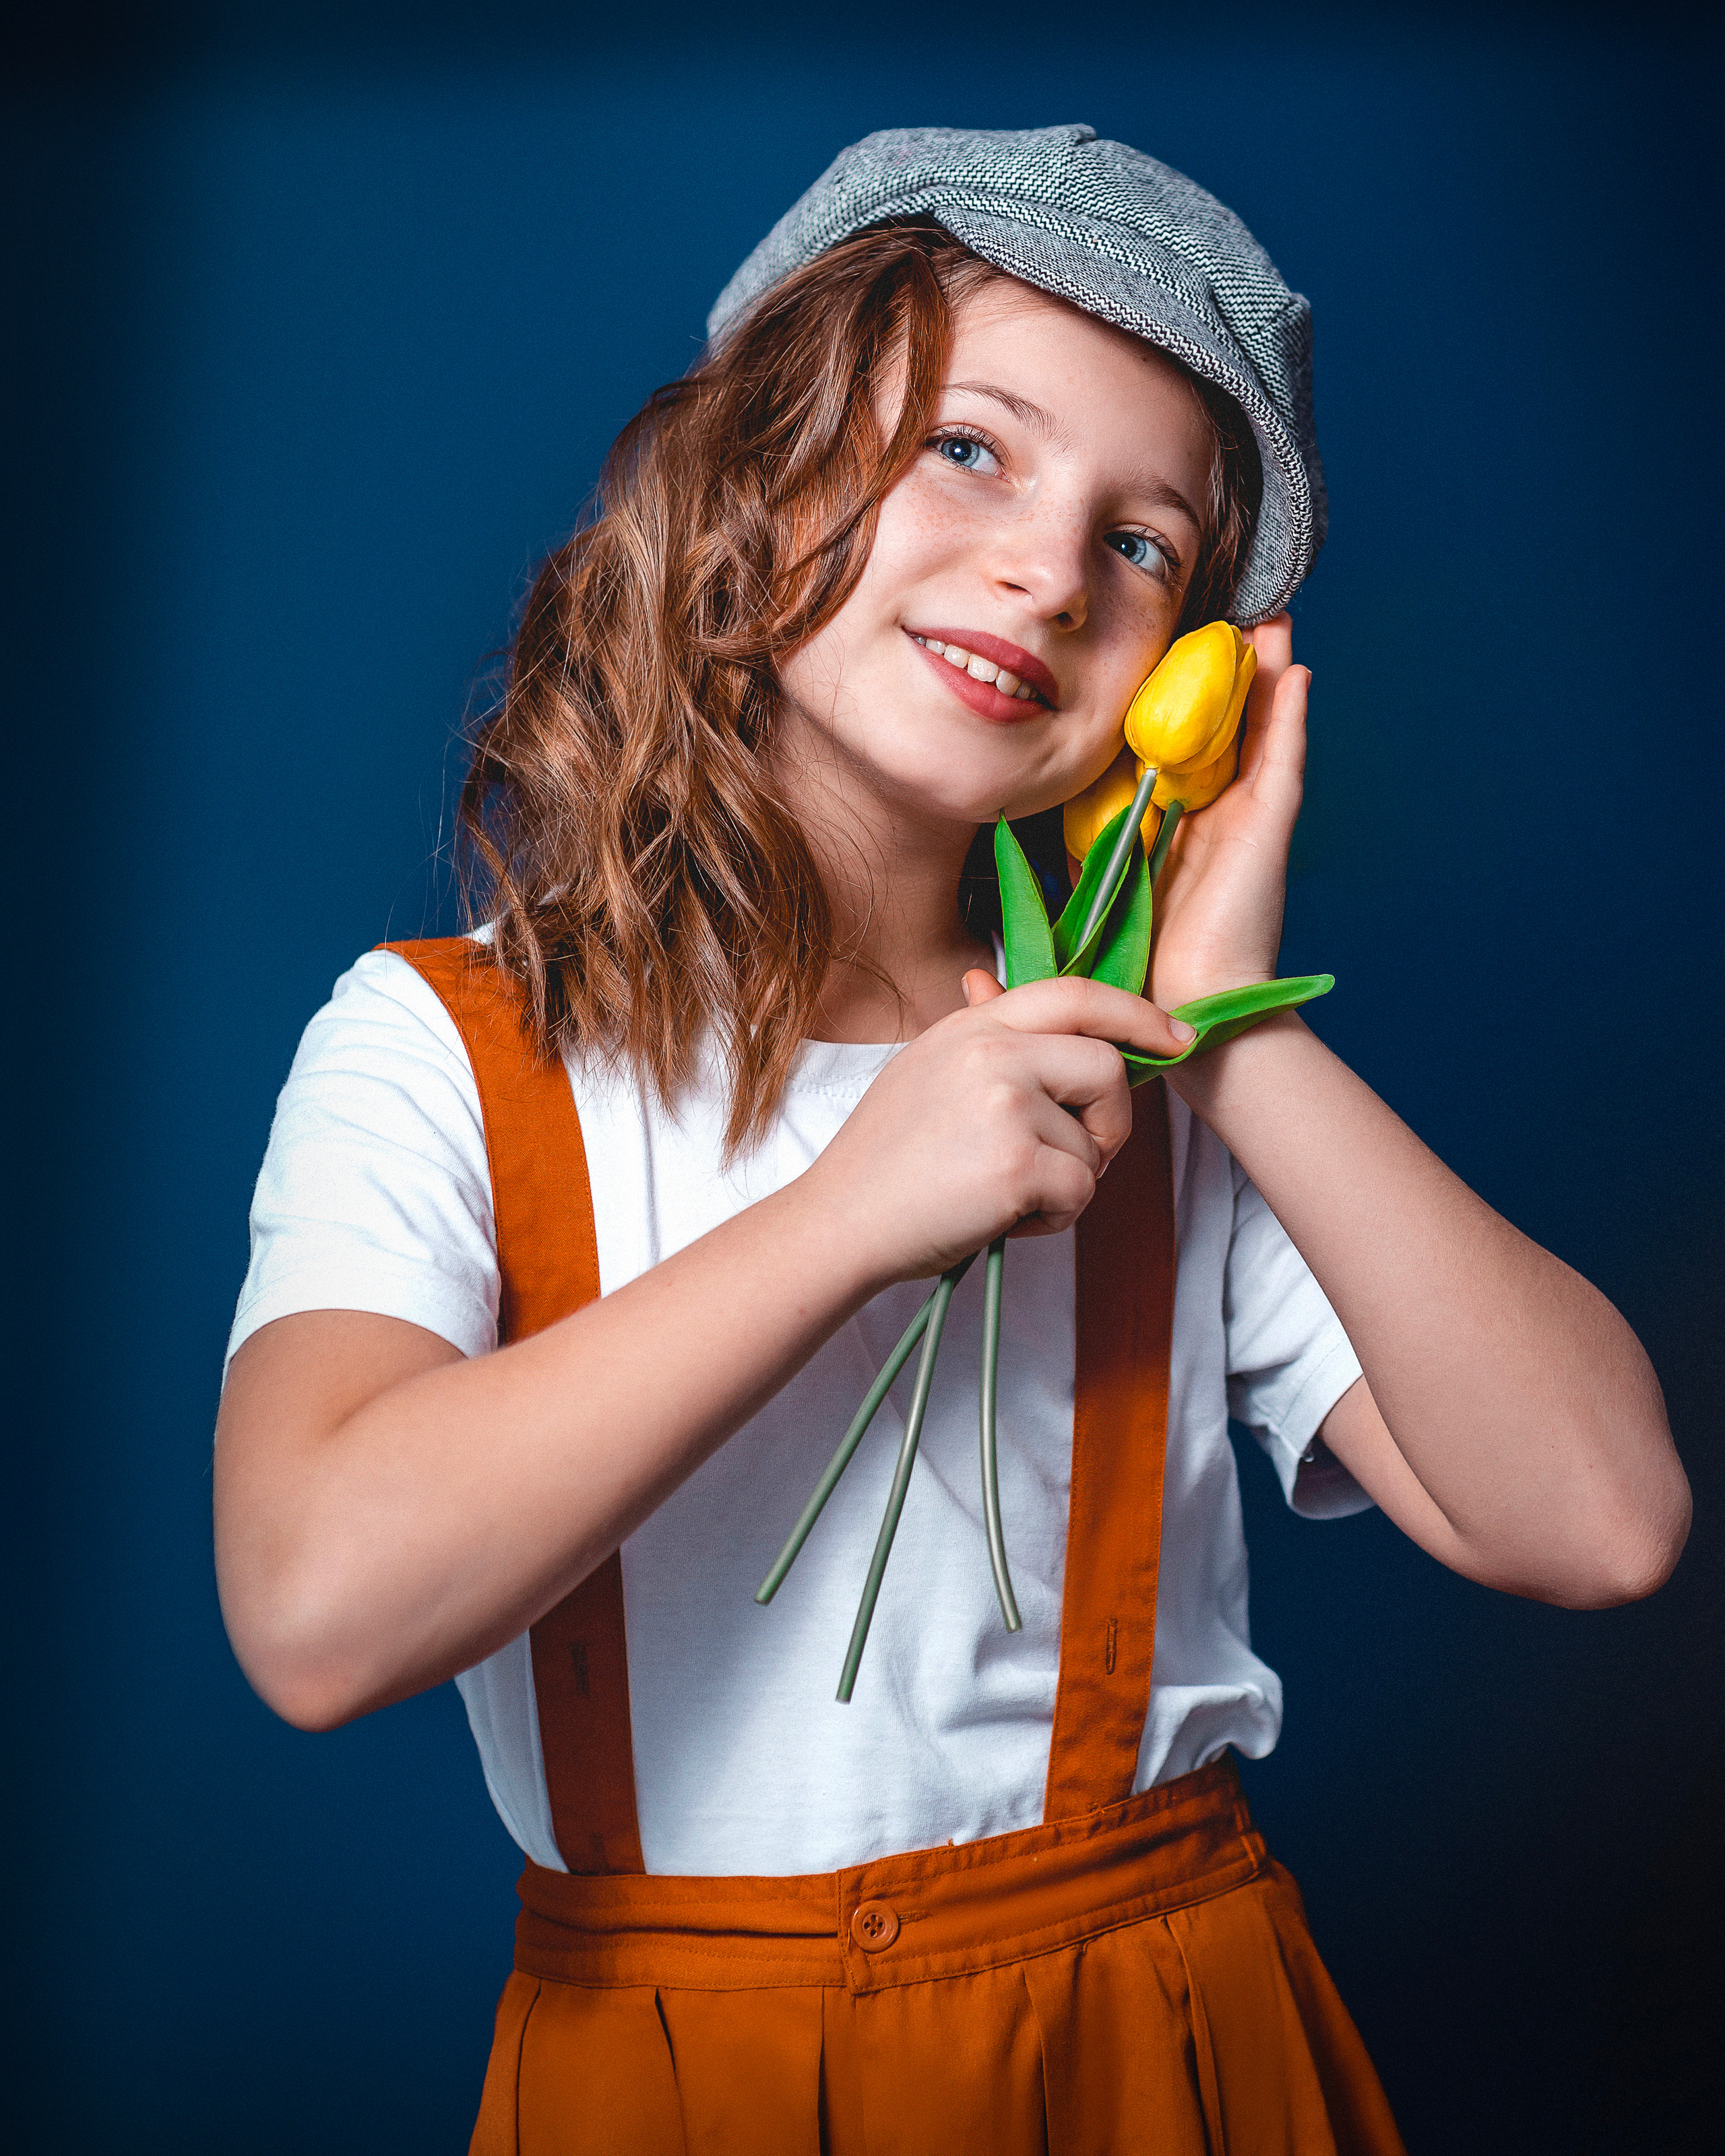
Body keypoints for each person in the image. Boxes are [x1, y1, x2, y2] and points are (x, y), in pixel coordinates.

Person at [214, 127, 1689, 2153]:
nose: (1046, 570)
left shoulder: (1147, 1082)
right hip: (676, 2078)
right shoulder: (446, 1048)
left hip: (1172, 2050)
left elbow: (1602, 1520)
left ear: (1192, 676)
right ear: (761, 470)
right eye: (971, 450)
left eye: (1144, 543)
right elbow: (314, 1611)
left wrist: (1220, 1026)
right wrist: (850, 1211)